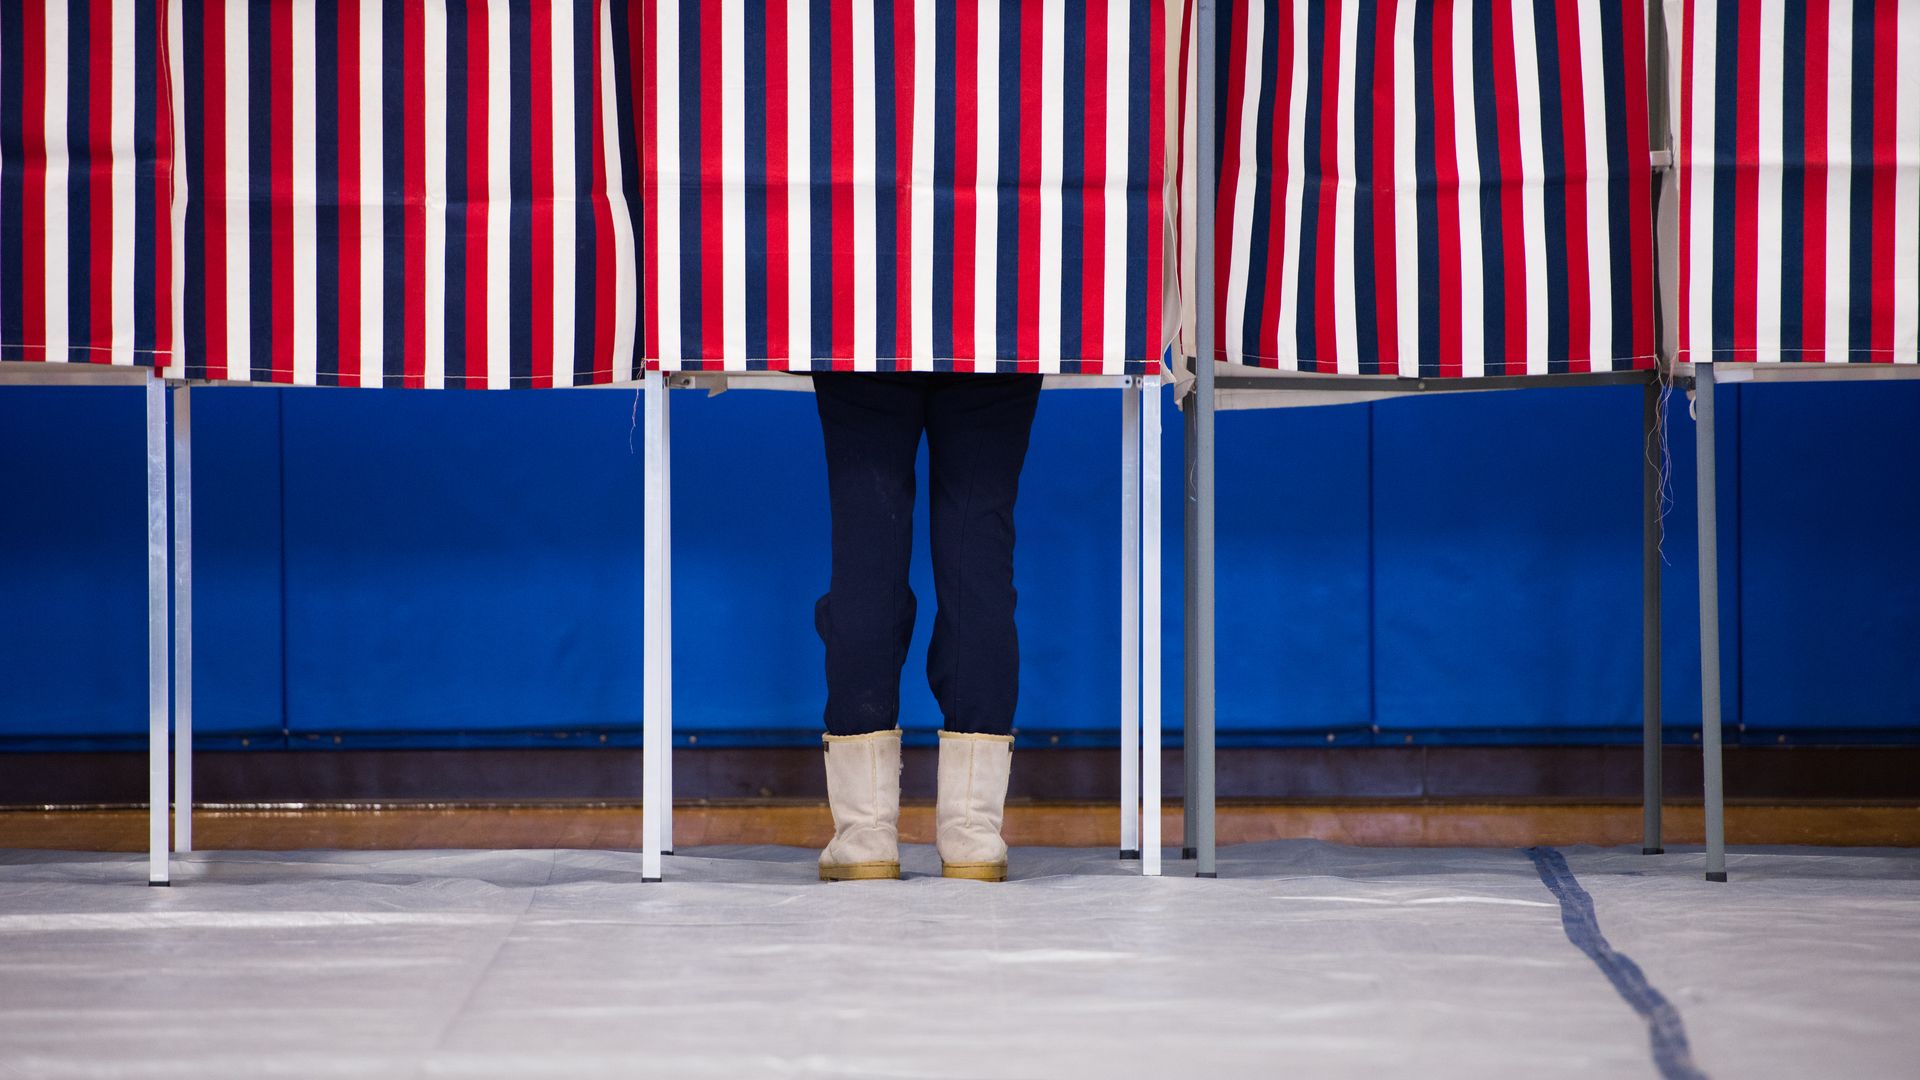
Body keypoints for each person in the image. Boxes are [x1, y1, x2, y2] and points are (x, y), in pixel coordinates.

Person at [809, 371, 1044, 882]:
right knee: (978, 558)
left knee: (866, 551)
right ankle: (972, 836)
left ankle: (864, 835)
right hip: (997, 317)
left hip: (863, 318)